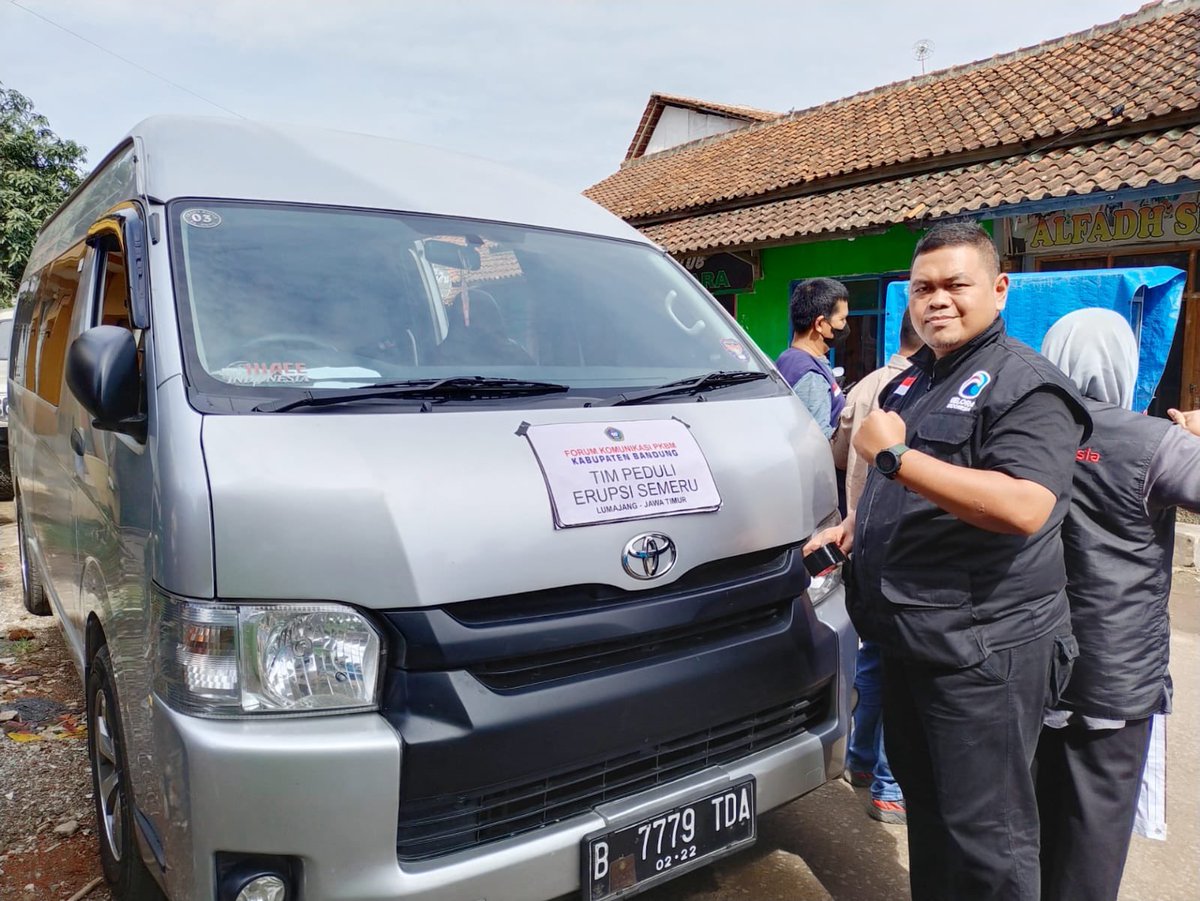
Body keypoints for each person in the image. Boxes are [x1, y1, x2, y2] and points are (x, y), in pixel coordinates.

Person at [806, 221, 1090, 901]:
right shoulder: (916, 381)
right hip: (910, 642)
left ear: (997, 288)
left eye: (955, 285)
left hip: (981, 654)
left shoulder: (1024, 385)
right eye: (923, 287)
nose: (937, 300)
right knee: (931, 821)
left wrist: (897, 459)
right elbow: (914, 495)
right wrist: (851, 528)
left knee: (987, 841)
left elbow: (1024, 504)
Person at [1036, 308, 1200, 901]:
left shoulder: (1019, 428)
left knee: (1029, 816)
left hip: (1026, 657)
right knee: (1093, 832)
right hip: (1115, 671)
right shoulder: (1154, 442)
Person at [831, 309, 923, 825]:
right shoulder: (922, 389)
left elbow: (841, 455)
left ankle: (860, 761)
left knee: (873, 659)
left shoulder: (865, 386)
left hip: (859, 538)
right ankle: (889, 788)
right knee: (900, 669)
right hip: (900, 547)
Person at [775, 277, 849, 438]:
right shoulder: (810, 376)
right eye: (842, 319)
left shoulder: (787, 358)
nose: (845, 326)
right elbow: (819, 443)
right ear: (820, 324)